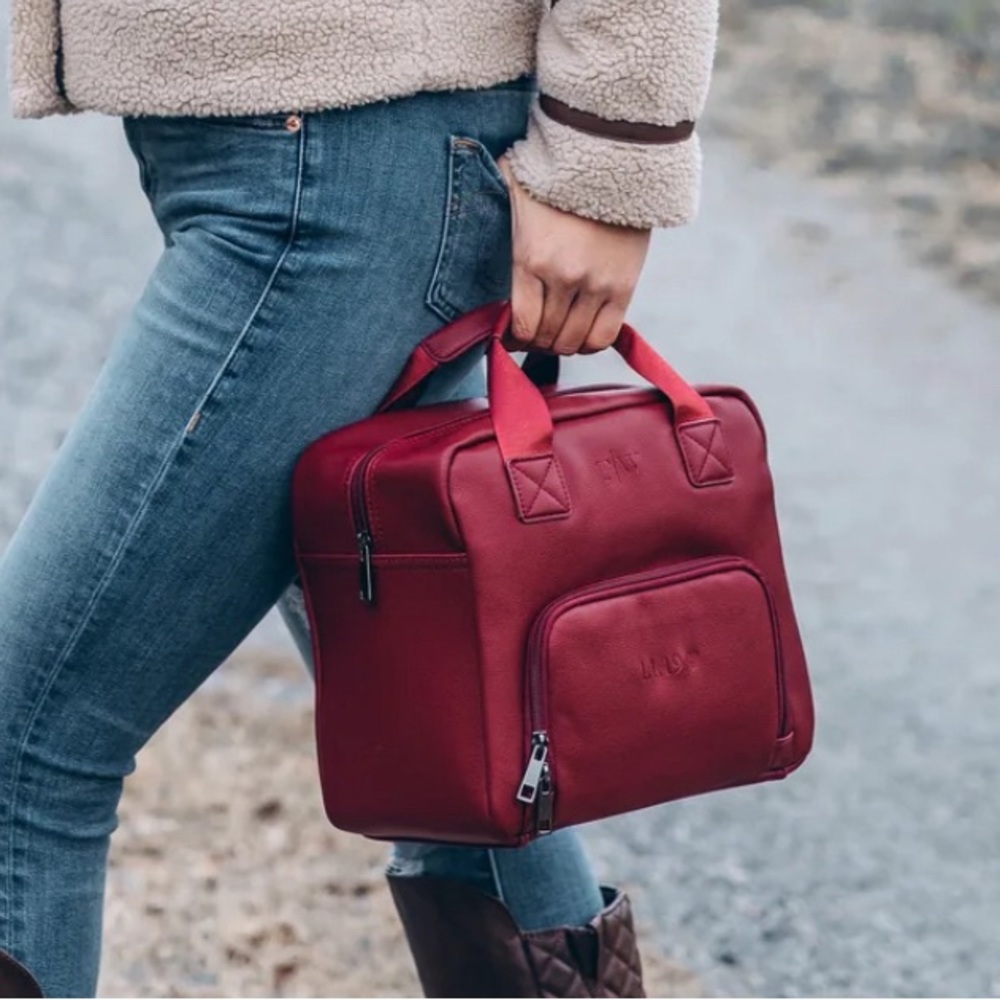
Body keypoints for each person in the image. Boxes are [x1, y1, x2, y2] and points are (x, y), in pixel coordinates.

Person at [2, 0, 719, 995]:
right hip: (306, 156)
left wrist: (613, 152)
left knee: (24, 740)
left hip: (336, 171)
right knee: (455, 745)